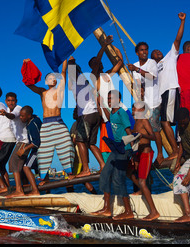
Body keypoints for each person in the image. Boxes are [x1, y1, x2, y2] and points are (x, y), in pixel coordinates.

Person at [24, 59, 74, 184]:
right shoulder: (42, 92)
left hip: (58, 122)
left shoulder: (59, 90)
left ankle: (70, 173)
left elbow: (63, 73)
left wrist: (64, 59)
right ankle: (43, 177)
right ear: (46, 81)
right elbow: (29, 85)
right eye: (50, 78)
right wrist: (27, 65)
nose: (53, 79)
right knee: (44, 150)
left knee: (66, 146)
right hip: (46, 124)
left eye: (54, 78)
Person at [92, 90, 134, 220]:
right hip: (115, 150)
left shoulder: (121, 113)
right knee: (105, 175)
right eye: (108, 99)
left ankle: (128, 211)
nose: (110, 101)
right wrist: (101, 103)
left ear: (118, 99)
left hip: (124, 149)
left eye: (112, 99)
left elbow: (129, 132)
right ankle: (106, 209)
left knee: (118, 179)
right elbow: (109, 118)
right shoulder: (113, 113)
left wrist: (132, 154)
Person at [151, 12, 186, 160]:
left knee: (165, 122)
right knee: (167, 122)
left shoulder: (170, 57)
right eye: (155, 53)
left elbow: (178, 39)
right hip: (162, 96)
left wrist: (182, 22)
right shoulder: (153, 68)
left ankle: (175, 151)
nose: (158, 52)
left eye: (158, 51)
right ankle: (177, 149)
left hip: (170, 90)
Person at [89, 35, 124, 165]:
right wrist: (104, 46)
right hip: (106, 114)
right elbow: (97, 61)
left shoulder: (108, 74)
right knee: (109, 139)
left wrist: (112, 47)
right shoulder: (93, 77)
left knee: (123, 135)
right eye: (94, 64)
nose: (98, 64)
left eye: (97, 63)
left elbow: (120, 63)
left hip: (118, 110)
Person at [68, 56, 104, 178]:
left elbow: (72, 70)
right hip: (93, 114)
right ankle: (103, 165)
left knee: (80, 141)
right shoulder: (81, 83)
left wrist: (71, 62)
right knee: (91, 144)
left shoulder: (79, 79)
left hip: (87, 115)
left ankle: (86, 169)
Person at [128, 42, 164, 165]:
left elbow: (152, 77)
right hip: (144, 103)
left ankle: (160, 154)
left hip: (154, 101)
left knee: (155, 130)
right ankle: (144, 154)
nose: (144, 52)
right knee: (141, 129)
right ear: (137, 53)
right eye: (142, 50)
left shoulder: (151, 63)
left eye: (146, 50)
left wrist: (137, 70)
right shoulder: (134, 65)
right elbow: (138, 85)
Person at [128, 101, 160, 221]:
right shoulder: (135, 123)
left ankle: (154, 212)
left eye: (134, 109)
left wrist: (143, 135)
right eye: (132, 109)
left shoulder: (144, 121)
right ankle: (141, 190)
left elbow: (153, 136)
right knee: (128, 172)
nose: (132, 111)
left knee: (142, 181)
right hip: (139, 154)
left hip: (146, 153)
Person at [8, 105, 42, 197]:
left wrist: (24, 149)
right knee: (33, 167)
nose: (20, 117)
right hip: (38, 149)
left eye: (22, 116)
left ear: (29, 116)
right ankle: (39, 186)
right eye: (20, 115)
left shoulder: (32, 125)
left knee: (26, 167)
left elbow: (36, 142)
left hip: (38, 150)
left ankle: (35, 191)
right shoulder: (35, 119)